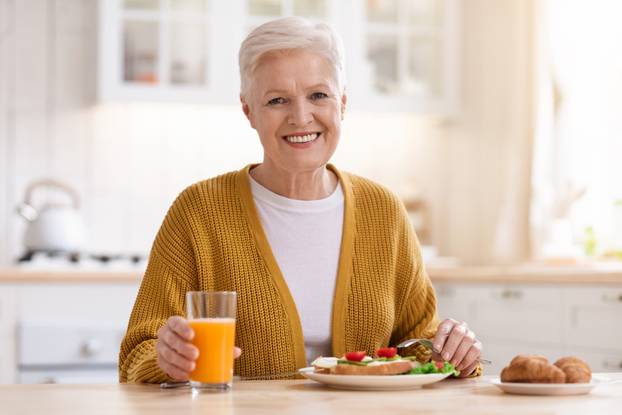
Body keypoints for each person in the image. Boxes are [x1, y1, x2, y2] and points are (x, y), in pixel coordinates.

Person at [119, 16, 482, 383]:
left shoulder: (383, 210)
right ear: (249, 112)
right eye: (277, 100)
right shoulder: (198, 211)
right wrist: (167, 359)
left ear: (342, 103)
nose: (301, 116)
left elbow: (417, 346)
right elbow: (138, 353)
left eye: (318, 96)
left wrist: (452, 353)